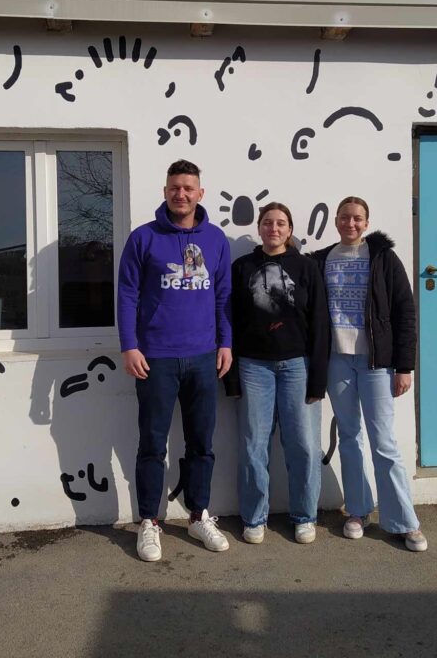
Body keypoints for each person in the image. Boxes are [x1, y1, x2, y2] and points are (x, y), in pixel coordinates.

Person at [117, 159, 233, 562]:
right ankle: (149, 521)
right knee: (152, 443)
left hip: (203, 357)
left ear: (200, 193)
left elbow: (223, 296)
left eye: (188, 188)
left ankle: (199, 515)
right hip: (155, 359)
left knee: (202, 442)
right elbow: (127, 294)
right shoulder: (143, 238)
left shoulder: (216, 239)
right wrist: (129, 345)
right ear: (165, 191)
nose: (180, 194)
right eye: (174, 187)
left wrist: (225, 343)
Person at [309, 196, 428, 552]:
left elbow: (405, 312)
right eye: (345, 217)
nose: (351, 223)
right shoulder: (321, 259)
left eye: (357, 218)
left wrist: (404, 366)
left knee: (384, 442)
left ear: (366, 222)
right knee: (349, 437)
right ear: (336, 220)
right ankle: (357, 511)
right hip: (337, 360)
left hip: (377, 363)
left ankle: (404, 521)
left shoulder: (383, 258)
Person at [228, 202, 329, 544]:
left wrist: (318, 378)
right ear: (259, 228)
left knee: (303, 445)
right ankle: (255, 518)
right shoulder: (242, 267)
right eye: (268, 223)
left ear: (289, 230)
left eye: (281, 223)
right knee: (253, 445)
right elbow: (230, 321)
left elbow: (320, 323)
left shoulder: (306, 267)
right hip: (252, 366)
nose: (274, 228)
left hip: (297, 366)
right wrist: (231, 378)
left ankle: (304, 515)